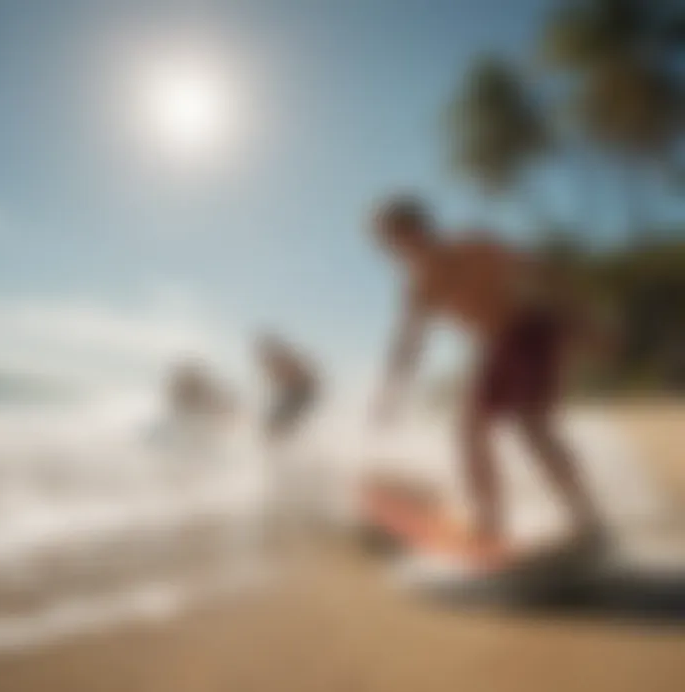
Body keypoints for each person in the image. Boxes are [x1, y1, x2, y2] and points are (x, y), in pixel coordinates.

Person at [370, 196, 607, 557]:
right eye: (388, 245)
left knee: (531, 425)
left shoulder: (475, 248)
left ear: (417, 230)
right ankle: (492, 522)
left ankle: (586, 518)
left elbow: (541, 271)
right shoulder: (420, 287)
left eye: (395, 239)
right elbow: (408, 343)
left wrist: (583, 318)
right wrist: (391, 392)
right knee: (468, 432)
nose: (394, 251)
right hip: (496, 347)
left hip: (532, 329)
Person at [255, 333, 319, 442]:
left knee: (281, 421)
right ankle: (277, 440)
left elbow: (306, 383)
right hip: (293, 394)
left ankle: (282, 439)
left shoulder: (287, 363)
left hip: (301, 392)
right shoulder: (274, 365)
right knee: (276, 421)